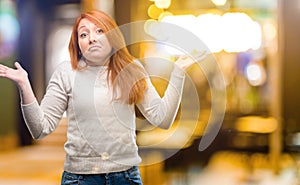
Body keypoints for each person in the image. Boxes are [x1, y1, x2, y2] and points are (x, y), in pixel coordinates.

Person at [0, 10, 206, 185]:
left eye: (100, 31)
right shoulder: (66, 73)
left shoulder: (132, 70)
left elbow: (162, 119)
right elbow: (40, 129)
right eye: (83, 34)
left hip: (126, 176)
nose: (91, 38)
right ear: (77, 44)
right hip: (80, 178)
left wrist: (178, 72)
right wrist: (24, 85)